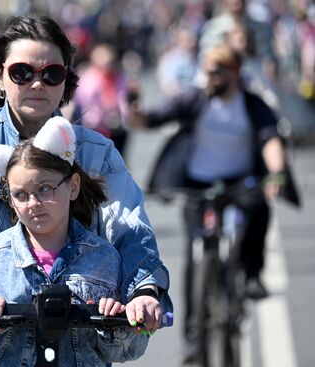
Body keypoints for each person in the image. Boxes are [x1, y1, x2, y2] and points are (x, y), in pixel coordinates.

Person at [0, 15, 171, 366]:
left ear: (66, 82)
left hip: (73, 339)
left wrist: (144, 293)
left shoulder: (97, 152)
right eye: (22, 73)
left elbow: (130, 229)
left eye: (51, 74)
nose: (37, 84)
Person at [0, 116, 157, 365]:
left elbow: (129, 350)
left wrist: (120, 322)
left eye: (45, 189)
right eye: (20, 194)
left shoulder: (105, 259)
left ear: (73, 187)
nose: (33, 203)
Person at [129, 43, 300, 364]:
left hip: (240, 181)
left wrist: (276, 173)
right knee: (196, 256)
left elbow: (270, 140)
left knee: (259, 208)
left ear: (233, 72)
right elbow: (148, 121)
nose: (209, 77)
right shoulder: (195, 98)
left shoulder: (251, 104)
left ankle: (251, 274)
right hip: (198, 184)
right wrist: (135, 107)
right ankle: (194, 336)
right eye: (206, 71)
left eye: (216, 71)